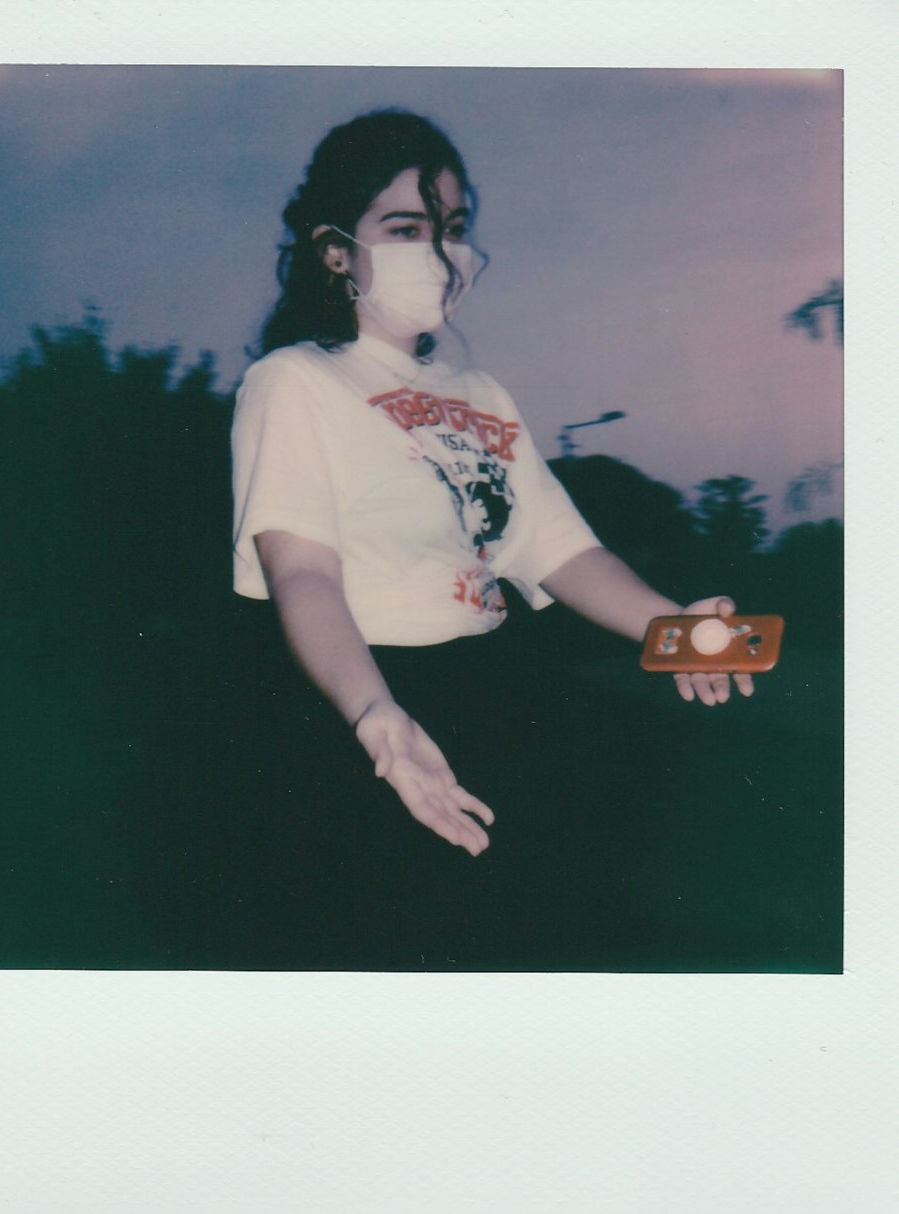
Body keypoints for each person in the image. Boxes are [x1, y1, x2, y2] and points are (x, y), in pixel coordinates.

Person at [229, 110, 753, 966]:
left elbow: (560, 551)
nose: (438, 253)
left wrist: (678, 628)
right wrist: (378, 721)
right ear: (335, 249)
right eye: (405, 228)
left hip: (495, 691)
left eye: (454, 229)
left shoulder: (481, 393)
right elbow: (305, 576)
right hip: (370, 703)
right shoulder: (293, 383)